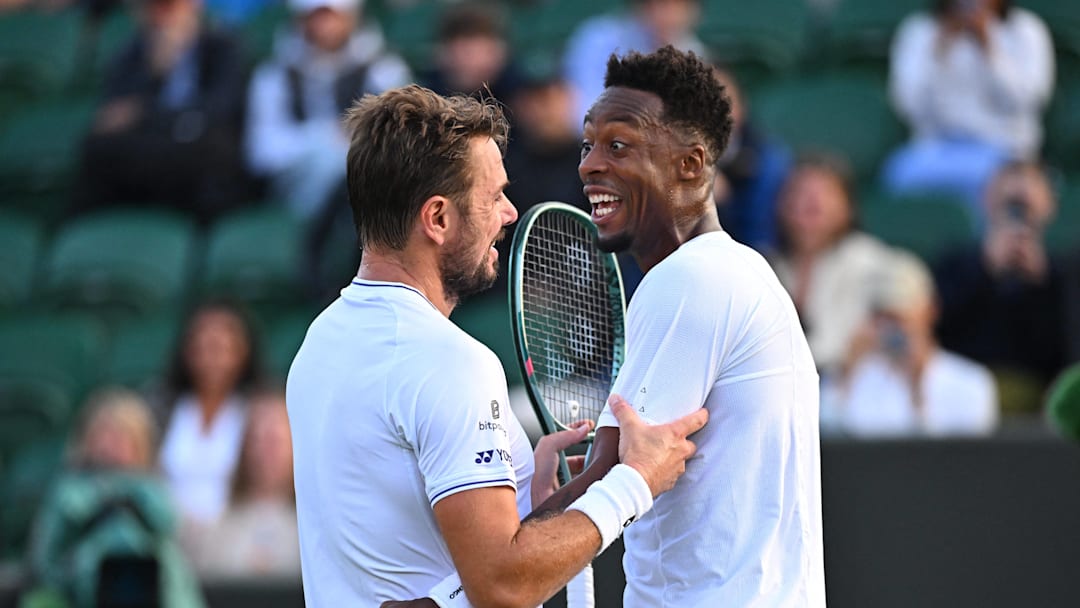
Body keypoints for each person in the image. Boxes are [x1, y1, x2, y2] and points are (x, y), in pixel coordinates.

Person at [285, 83, 708, 607]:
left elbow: (434, 576)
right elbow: (501, 585)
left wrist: (577, 492)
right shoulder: (447, 363)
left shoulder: (319, 343)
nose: (510, 214)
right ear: (437, 219)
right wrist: (637, 483)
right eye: (493, 197)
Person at [537, 44, 825, 606]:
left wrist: (453, 585)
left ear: (690, 164)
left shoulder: (689, 278)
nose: (589, 164)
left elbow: (606, 481)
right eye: (588, 143)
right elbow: (622, 476)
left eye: (618, 145)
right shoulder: (736, 269)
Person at [70, 0, 249, 225]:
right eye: (154, 8)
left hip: (196, 150)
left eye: (170, 7)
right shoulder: (131, 53)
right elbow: (112, 116)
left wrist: (146, 114)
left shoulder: (222, 47)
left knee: (215, 150)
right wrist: (155, 76)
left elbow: (219, 108)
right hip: (150, 149)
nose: (163, 18)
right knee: (96, 148)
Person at [27, 388, 205, 608]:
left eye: (122, 436)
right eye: (104, 435)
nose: (111, 445)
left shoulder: (155, 492)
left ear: (141, 443)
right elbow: (46, 559)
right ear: (86, 440)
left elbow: (168, 529)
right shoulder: (67, 491)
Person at [245, 0, 411, 221]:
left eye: (332, 16)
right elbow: (262, 151)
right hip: (293, 188)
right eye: (317, 16)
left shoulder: (384, 70)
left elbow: (397, 145)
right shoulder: (273, 76)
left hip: (366, 184)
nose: (325, 26)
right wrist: (325, 138)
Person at [882, 0, 1054, 210]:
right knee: (899, 174)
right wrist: (940, 54)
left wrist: (989, 50)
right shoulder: (919, 30)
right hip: (936, 150)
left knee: (1004, 187)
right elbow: (908, 106)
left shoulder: (1026, 30)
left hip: (1005, 152)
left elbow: (1028, 102)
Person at [933, 161, 1070, 414]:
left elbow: (1066, 350)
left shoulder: (1066, 274)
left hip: (1041, 396)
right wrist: (986, 270)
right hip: (963, 391)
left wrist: (1043, 282)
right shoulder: (954, 264)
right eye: (1007, 195)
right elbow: (937, 329)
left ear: (1050, 206)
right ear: (985, 201)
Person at [840, 251, 998, 437]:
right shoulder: (858, 378)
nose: (891, 323)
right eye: (882, 313)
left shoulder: (971, 384)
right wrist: (846, 373)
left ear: (931, 310)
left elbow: (967, 458)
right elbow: (830, 444)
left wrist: (917, 387)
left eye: (900, 312)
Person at [768, 154, 897, 377]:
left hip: (849, 387)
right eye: (801, 192)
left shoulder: (869, 260)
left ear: (848, 207)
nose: (813, 201)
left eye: (826, 192)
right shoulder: (762, 264)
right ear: (781, 204)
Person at [158, 300, 263, 556]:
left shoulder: (258, 412)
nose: (212, 356)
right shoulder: (161, 408)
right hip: (170, 541)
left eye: (221, 346)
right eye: (203, 345)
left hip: (238, 544)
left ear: (243, 351)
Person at [196, 386, 300, 579]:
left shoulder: (312, 527)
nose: (262, 452)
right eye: (255, 440)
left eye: (273, 441)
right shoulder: (221, 527)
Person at [563, 0, 705, 128]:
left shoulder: (694, 53)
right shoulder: (599, 38)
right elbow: (580, 109)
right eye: (659, 4)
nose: (667, 15)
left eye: (677, 6)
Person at [712, 66, 791, 253]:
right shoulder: (667, 161)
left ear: (741, 107)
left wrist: (722, 204)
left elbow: (761, 240)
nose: (712, 111)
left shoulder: (768, 160)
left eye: (723, 101)